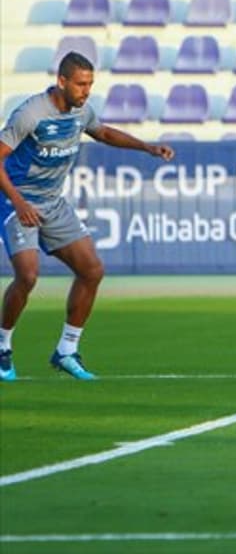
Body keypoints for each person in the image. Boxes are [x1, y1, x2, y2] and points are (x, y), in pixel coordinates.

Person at [0, 52, 174, 382]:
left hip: (53, 203)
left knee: (92, 270)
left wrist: (147, 148)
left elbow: (104, 133)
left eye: (90, 84)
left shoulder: (81, 110)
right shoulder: (31, 113)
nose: (86, 90)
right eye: (81, 84)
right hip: (17, 201)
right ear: (62, 81)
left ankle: (66, 350)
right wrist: (18, 201)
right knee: (28, 275)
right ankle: (3, 346)